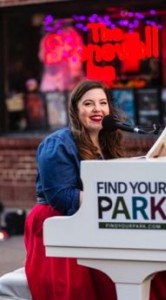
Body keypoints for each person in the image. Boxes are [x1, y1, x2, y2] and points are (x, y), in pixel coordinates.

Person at [24, 79, 125, 300]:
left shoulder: (107, 142)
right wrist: (109, 201)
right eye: (88, 104)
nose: (97, 109)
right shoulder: (58, 143)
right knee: (77, 291)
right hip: (57, 224)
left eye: (103, 103)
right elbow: (61, 196)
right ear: (75, 110)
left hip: (91, 220)